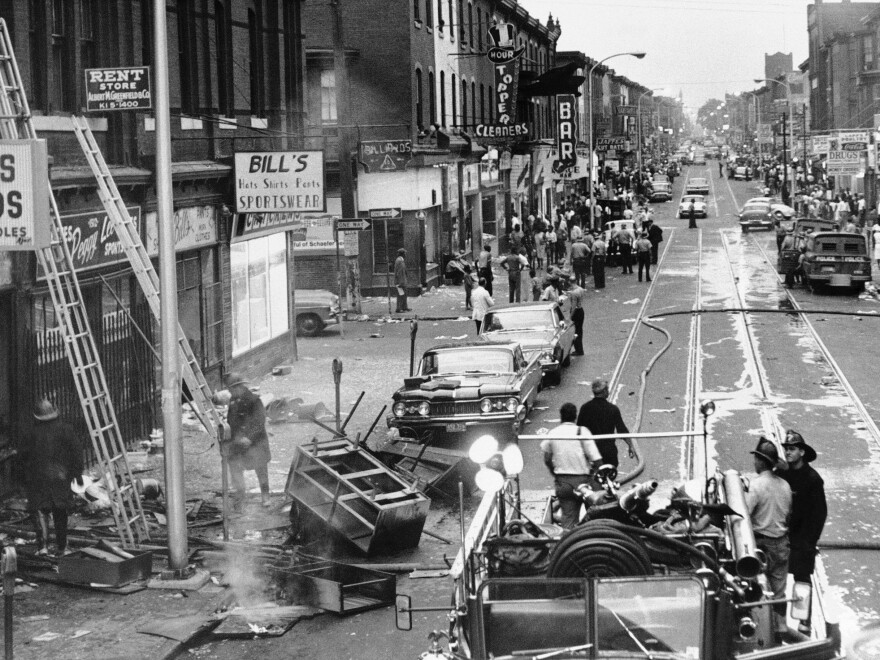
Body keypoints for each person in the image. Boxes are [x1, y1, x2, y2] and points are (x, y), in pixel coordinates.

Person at [20, 399, 83, 556]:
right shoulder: (66, 429)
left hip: (38, 479)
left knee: (40, 511)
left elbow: (23, 458)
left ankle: (43, 547)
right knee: (60, 512)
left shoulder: (31, 434)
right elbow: (76, 453)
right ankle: (62, 547)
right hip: (60, 477)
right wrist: (77, 474)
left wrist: (24, 480)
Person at [779, 431, 827, 634]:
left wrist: (810, 541)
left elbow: (820, 513)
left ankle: (804, 621)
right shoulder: (784, 474)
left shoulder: (813, 479)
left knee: (802, 581)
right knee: (777, 579)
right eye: (786, 449)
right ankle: (778, 620)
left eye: (792, 449)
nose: (788, 453)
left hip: (803, 538)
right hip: (783, 535)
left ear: (801, 452)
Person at [746, 437, 792, 640]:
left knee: (753, 587)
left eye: (756, 459)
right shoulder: (785, 486)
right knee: (779, 589)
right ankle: (781, 627)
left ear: (760, 461)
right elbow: (788, 514)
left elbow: (744, 514)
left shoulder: (755, 486)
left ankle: (757, 628)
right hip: (781, 542)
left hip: (760, 544)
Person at [541, 403, 603, 529]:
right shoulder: (582, 432)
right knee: (596, 516)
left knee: (568, 521)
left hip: (563, 483)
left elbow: (547, 458)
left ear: (561, 416)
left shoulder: (553, 433)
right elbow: (597, 461)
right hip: (584, 483)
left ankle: (569, 544)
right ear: (575, 416)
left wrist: (554, 473)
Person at [224, 373, 273, 509]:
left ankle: (265, 495)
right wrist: (230, 437)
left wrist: (249, 438)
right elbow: (230, 421)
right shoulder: (233, 401)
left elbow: (259, 422)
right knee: (234, 465)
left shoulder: (254, 400)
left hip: (256, 441)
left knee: (261, 469)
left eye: (232, 389)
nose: (230, 392)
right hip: (238, 441)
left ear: (239, 387)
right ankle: (240, 497)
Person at [576, 378, 634, 468]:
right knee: (609, 477)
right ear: (604, 391)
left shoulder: (585, 408)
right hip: (609, 452)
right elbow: (622, 430)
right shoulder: (613, 409)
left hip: (591, 451)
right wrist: (630, 445)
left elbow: (578, 430)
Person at [567, 276, 587, 356]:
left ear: (569, 282)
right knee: (579, 330)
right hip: (581, 310)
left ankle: (578, 350)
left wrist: (570, 317)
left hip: (576, 312)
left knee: (575, 332)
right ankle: (580, 349)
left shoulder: (574, 293)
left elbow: (573, 306)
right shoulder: (580, 289)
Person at [394, 248, 410, 313]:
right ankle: (399, 308)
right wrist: (401, 283)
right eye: (405, 253)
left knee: (404, 294)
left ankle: (404, 307)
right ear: (402, 254)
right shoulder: (399, 261)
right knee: (401, 295)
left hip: (403, 280)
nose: (406, 254)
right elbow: (399, 273)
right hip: (400, 281)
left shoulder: (401, 260)